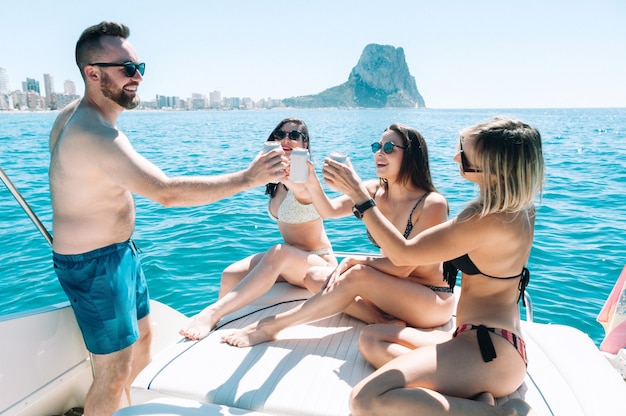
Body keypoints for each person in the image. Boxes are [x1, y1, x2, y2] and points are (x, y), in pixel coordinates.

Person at [48, 22, 287, 415]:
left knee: (144, 341)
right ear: (92, 73)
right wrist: (248, 178)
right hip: (93, 266)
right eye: (126, 68)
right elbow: (166, 192)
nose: (137, 77)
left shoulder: (77, 116)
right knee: (114, 371)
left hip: (118, 255)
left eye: (141, 67)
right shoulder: (93, 132)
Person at [348, 117, 544, 415]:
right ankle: (468, 397)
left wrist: (362, 199)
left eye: (464, 154)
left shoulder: (484, 219)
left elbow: (402, 254)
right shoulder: (519, 208)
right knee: (372, 338)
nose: (455, 157)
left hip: (487, 351)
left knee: (365, 399)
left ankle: (497, 413)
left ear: (492, 164)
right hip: (488, 340)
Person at [221, 123, 453, 348]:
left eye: (389, 148)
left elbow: (403, 266)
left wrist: (355, 260)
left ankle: (271, 327)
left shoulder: (432, 203)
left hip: (430, 299)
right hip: (390, 291)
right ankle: (381, 320)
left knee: (358, 274)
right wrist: (311, 182)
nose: (379, 154)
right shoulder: (374, 190)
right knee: (314, 276)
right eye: (377, 147)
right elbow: (328, 211)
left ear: (412, 156)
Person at [179, 118, 338, 340]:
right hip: (289, 262)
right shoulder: (276, 183)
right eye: (281, 134)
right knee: (230, 275)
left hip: (317, 262)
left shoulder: (306, 181)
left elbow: (302, 191)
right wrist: (261, 172)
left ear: (305, 143)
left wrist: (287, 174)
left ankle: (210, 313)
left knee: (278, 251)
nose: (286, 139)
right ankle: (219, 324)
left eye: (294, 136)